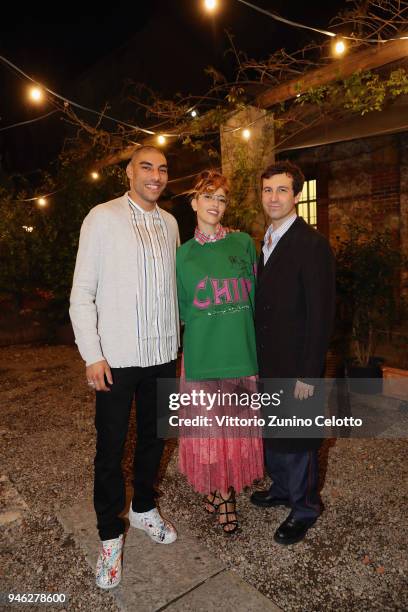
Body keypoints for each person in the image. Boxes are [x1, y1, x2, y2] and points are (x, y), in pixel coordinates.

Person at [70, 146, 179, 589]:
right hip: (115, 358)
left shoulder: (171, 223)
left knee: (155, 440)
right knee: (110, 450)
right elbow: (82, 293)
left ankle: (144, 508)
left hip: (164, 354)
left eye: (163, 169)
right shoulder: (102, 217)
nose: (156, 175)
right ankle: (110, 536)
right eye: (147, 166)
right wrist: (91, 354)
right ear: (129, 172)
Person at [251, 160, 335, 545]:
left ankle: (305, 508)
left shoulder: (312, 244)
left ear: (297, 196)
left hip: (297, 365)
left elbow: (321, 315)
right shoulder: (265, 241)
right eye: (268, 190)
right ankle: (283, 489)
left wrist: (308, 374)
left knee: (298, 437)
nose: (273, 197)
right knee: (274, 432)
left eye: (282, 190)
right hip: (268, 360)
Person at [176, 170, 264, 533]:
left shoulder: (244, 244)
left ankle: (222, 491)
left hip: (240, 355)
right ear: (194, 202)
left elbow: (256, 299)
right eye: (208, 196)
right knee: (211, 433)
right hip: (203, 358)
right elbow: (183, 311)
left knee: (236, 432)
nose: (215, 204)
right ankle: (223, 494)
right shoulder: (182, 255)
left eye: (222, 198)